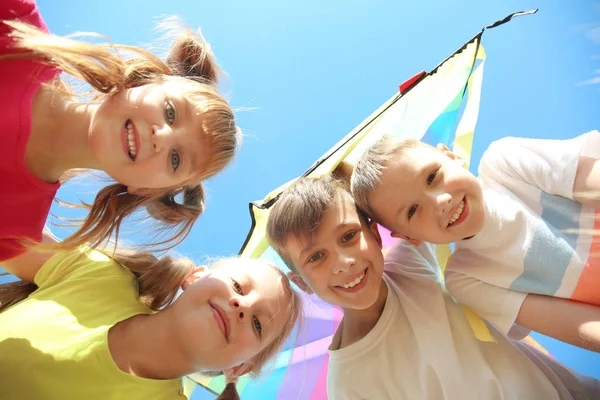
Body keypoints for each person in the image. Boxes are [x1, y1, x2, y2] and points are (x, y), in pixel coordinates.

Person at [266, 175, 600, 399]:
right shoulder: (349, 384)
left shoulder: (405, 262)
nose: (342, 262)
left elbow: (397, 195)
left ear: (374, 231)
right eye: (317, 257)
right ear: (302, 284)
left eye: (349, 236)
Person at [0, 0, 241, 263]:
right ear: (141, 82)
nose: (161, 137)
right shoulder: (18, 27)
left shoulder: (15, 232)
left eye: (175, 159)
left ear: (146, 189)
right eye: (171, 112)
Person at [350, 132, 600, 352]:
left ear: (451, 156)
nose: (440, 202)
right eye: (413, 211)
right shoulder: (466, 278)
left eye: (432, 177)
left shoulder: (506, 164)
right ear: (409, 237)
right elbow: (577, 324)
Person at [0, 242, 302, 399]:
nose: (242, 305)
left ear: (239, 368)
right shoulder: (98, 274)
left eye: (258, 324)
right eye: (238, 286)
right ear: (196, 277)